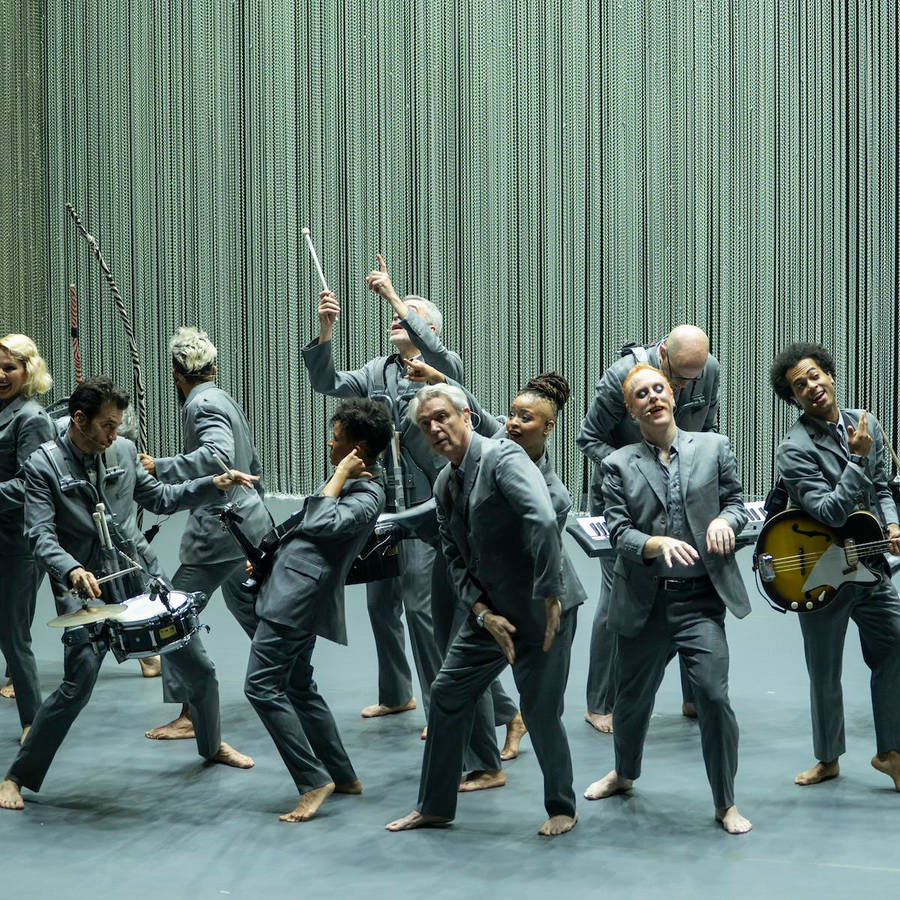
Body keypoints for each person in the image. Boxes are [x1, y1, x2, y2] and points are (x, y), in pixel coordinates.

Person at [0, 376, 254, 811]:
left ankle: (212, 745)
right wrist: (71, 569)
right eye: (106, 425)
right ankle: (16, 778)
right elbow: (40, 535)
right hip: (87, 590)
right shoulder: (44, 465)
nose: (113, 434)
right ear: (79, 420)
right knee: (76, 686)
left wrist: (214, 484)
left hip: (141, 578)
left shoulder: (121, 450)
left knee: (199, 667)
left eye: (118, 425)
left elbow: (162, 498)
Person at [386, 383, 577, 836]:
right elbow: (454, 555)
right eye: (426, 424)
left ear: (466, 417)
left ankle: (562, 807)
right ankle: (434, 805)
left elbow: (543, 518)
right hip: (491, 613)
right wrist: (480, 611)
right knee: (447, 694)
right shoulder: (444, 481)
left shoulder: (502, 458)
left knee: (540, 712)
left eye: (442, 417)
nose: (435, 428)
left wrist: (551, 593)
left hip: (542, 608)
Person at [582, 363, 752, 835]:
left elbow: (736, 504)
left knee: (713, 696)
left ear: (673, 396)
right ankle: (624, 773)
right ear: (630, 409)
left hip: (700, 602)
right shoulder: (618, 464)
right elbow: (617, 531)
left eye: (659, 388)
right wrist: (653, 544)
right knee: (631, 701)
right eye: (642, 394)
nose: (653, 397)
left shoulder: (714, 446)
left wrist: (726, 522)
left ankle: (725, 802)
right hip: (645, 602)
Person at [302, 255, 449, 725]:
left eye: (409, 314)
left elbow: (445, 365)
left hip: (424, 508)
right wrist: (326, 330)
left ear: (428, 330)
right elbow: (327, 382)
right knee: (381, 604)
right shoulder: (377, 370)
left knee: (421, 610)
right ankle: (396, 693)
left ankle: (441, 708)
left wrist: (391, 295)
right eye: (396, 312)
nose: (396, 317)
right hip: (383, 506)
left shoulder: (443, 369)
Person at [244, 398, 392, 822]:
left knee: (260, 686)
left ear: (356, 450)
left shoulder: (368, 493)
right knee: (298, 686)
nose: (329, 443)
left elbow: (321, 523)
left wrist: (340, 474)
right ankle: (342, 775)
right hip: (292, 588)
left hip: (296, 600)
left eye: (336, 439)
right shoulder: (354, 481)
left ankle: (312, 780)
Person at [770, 343, 900, 789]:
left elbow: (882, 486)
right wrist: (857, 458)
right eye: (799, 385)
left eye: (814, 375)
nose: (811, 386)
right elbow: (828, 511)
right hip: (821, 570)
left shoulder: (865, 422)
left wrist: (893, 524)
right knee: (825, 671)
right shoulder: (793, 449)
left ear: (829, 374)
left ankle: (891, 753)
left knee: (895, 647)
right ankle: (828, 759)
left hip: (871, 563)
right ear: (793, 399)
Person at [577, 325, 719, 732]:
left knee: (692, 588)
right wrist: (638, 468)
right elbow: (589, 438)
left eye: (691, 379)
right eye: (677, 377)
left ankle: (694, 698)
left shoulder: (707, 369)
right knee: (616, 598)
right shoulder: (621, 375)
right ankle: (600, 703)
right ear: (663, 354)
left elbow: (707, 430)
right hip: (624, 498)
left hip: (684, 495)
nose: (681, 387)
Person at [139, 327, 271, 741]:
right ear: (213, 369)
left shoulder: (200, 404)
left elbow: (218, 456)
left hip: (218, 531)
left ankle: (190, 715)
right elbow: (247, 458)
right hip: (247, 523)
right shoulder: (222, 397)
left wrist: (159, 467)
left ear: (175, 374)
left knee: (172, 613)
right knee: (250, 608)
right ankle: (287, 679)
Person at [0, 335, 55, 743]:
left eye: (9, 368)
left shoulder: (32, 417)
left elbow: (31, 484)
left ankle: (33, 722)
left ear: (28, 371)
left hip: (15, 543)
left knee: (13, 634)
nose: (1, 376)